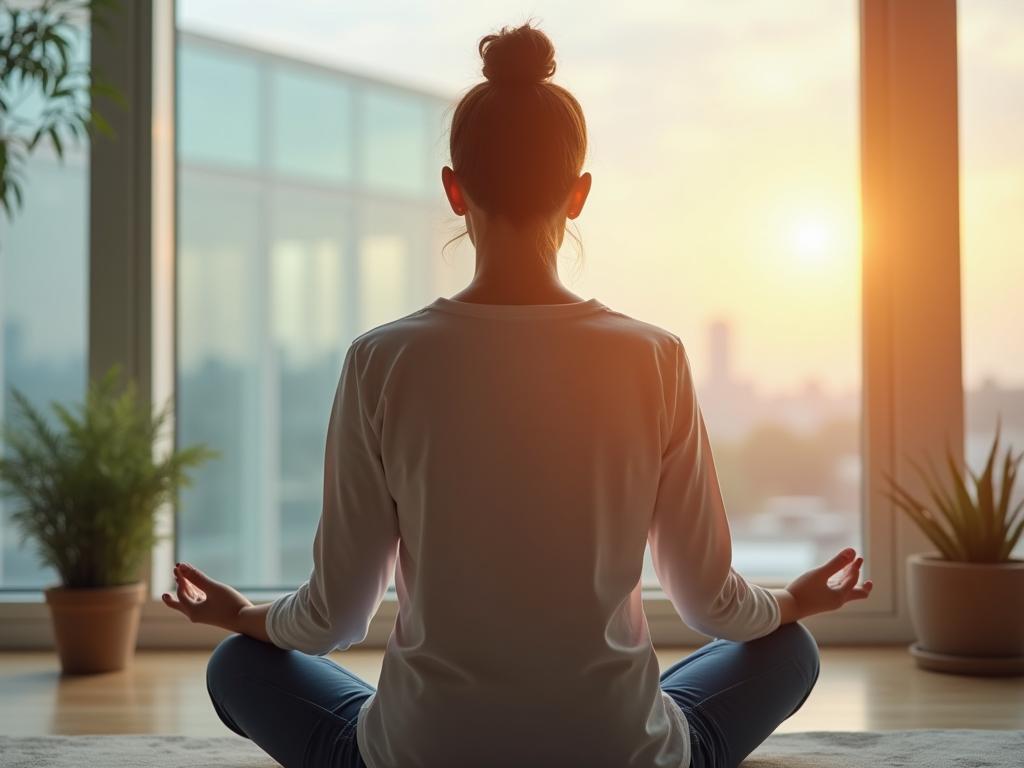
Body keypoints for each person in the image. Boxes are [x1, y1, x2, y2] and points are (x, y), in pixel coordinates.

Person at [162, 22, 873, 768]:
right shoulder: (654, 357)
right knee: (788, 651)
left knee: (236, 666)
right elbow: (709, 606)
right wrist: (792, 602)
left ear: (453, 188)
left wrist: (240, 614)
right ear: (579, 195)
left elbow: (335, 616)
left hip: (423, 753)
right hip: (617, 752)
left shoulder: (382, 360)